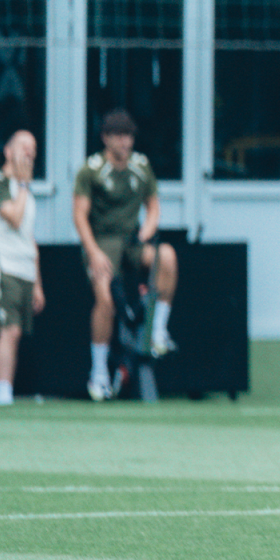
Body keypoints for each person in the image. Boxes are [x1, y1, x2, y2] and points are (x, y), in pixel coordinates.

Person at [73, 108, 179, 401]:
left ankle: (157, 332)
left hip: (131, 241)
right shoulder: (91, 170)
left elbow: (153, 206)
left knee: (167, 255)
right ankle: (99, 375)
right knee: (105, 301)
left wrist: (147, 229)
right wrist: (93, 252)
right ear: (106, 138)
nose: (125, 142)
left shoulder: (141, 166)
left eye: (129, 136)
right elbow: (79, 216)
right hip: (102, 242)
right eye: (119, 136)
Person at [0, 130, 45, 406]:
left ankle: (6, 390)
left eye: (33, 148)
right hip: (1, 265)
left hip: (24, 271)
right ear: (8, 152)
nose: (29, 153)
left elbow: (30, 239)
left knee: (17, 333)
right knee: (10, 330)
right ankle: (3, 394)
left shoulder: (26, 191)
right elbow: (14, 219)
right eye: (23, 147)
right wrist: (22, 186)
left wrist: (38, 283)